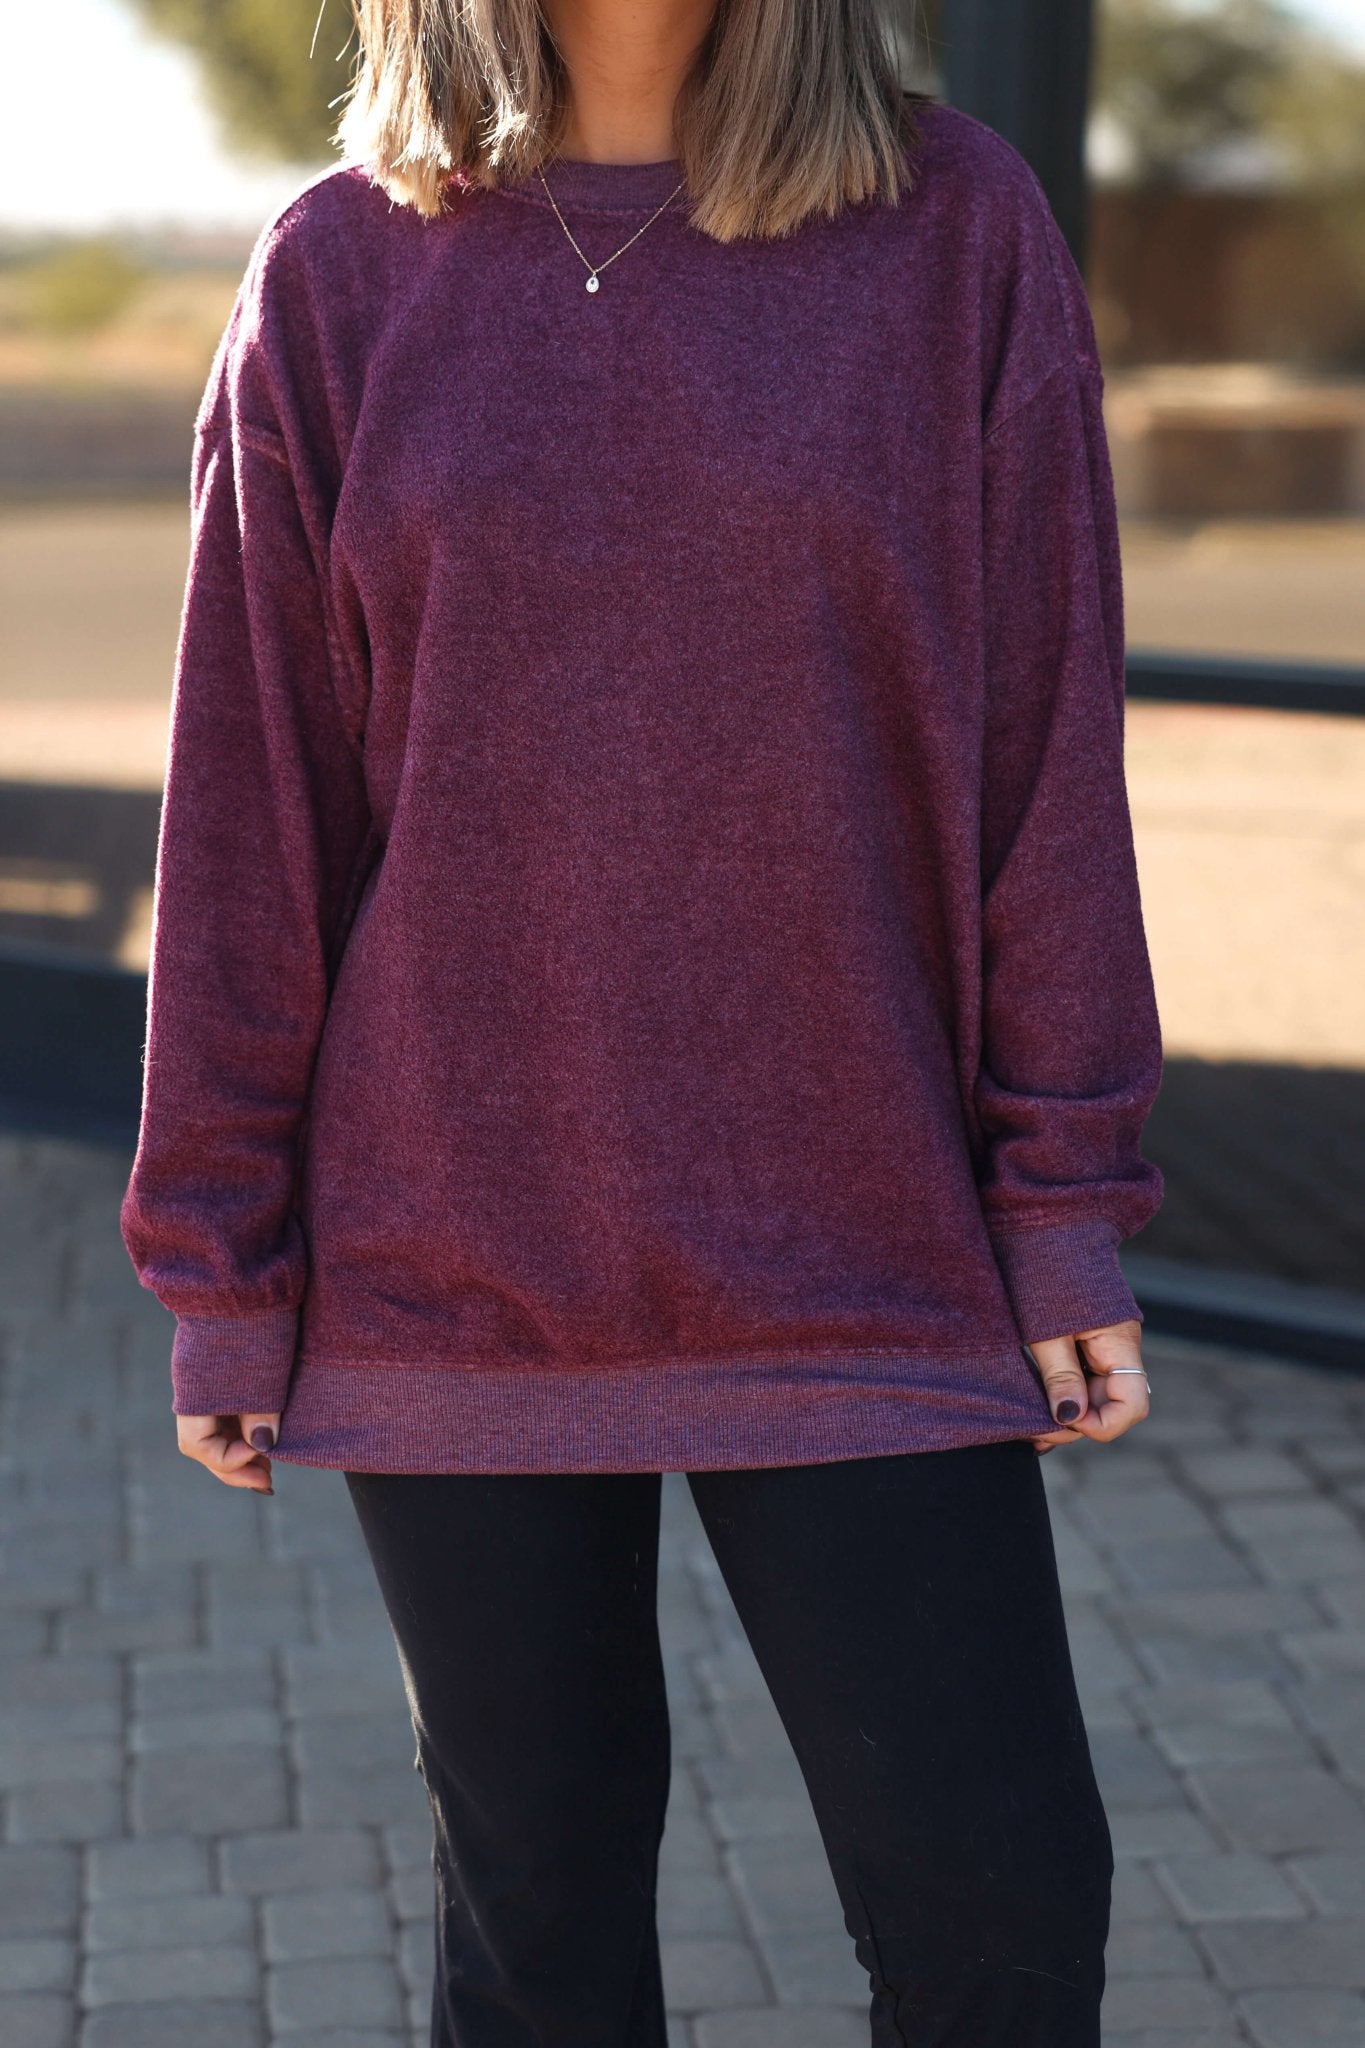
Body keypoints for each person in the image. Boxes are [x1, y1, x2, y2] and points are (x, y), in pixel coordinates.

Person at [120, 0, 1165, 2039]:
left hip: (864, 1257)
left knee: (1002, 1915)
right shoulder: (340, 269)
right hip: (454, 1263)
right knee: (541, 1948)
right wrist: (220, 1259)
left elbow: (1042, 752)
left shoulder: (954, 231)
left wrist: (1058, 1195)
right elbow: (250, 805)